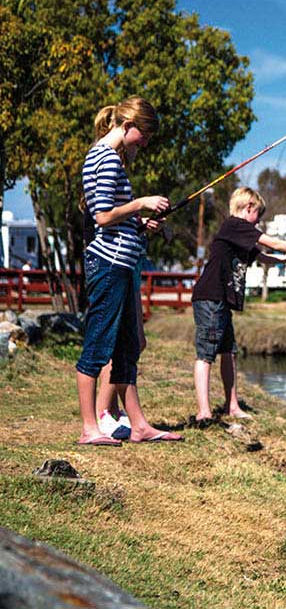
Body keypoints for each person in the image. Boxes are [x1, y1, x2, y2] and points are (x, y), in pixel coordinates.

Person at [76, 97, 183, 446]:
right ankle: (90, 428)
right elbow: (103, 217)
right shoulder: (106, 158)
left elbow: (115, 216)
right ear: (127, 126)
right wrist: (141, 203)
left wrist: (141, 221)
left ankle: (138, 425)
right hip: (108, 265)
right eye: (145, 135)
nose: (145, 143)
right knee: (97, 345)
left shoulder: (108, 158)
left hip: (119, 263)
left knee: (126, 347)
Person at [190, 187, 286, 423]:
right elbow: (274, 243)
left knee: (229, 353)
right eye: (258, 215)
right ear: (249, 208)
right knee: (206, 354)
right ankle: (204, 411)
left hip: (222, 300)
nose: (259, 222)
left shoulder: (241, 236)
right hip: (210, 297)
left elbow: (266, 257)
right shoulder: (235, 225)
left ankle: (232, 406)